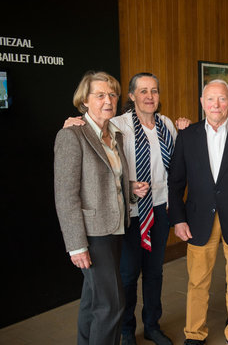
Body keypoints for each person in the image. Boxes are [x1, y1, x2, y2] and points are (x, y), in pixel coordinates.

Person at [63, 73, 178, 345]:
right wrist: (71, 123)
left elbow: (176, 163)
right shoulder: (116, 125)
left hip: (160, 210)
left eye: (154, 91)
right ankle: (126, 330)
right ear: (131, 96)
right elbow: (100, 168)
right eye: (143, 91)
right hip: (129, 215)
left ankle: (152, 325)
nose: (149, 96)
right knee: (126, 276)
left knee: (155, 274)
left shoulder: (167, 125)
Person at [54, 71, 149, 345]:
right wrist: (76, 245)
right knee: (112, 305)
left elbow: (105, 181)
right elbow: (66, 195)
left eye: (112, 94)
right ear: (84, 101)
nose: (108, 100)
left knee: (93, 299)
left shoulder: (113, 134)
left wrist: (131, 189)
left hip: (116, 228)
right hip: (93, 234)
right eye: (100, 95)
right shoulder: (72, 135)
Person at [168, 80, 228, 345]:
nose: (216, 105)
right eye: (211, 99)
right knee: (197, 282)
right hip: (198, 220)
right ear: (202, 102)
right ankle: (194, 333)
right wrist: (177, 218)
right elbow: (175, 182)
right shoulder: (187, 136)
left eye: (222, 99)